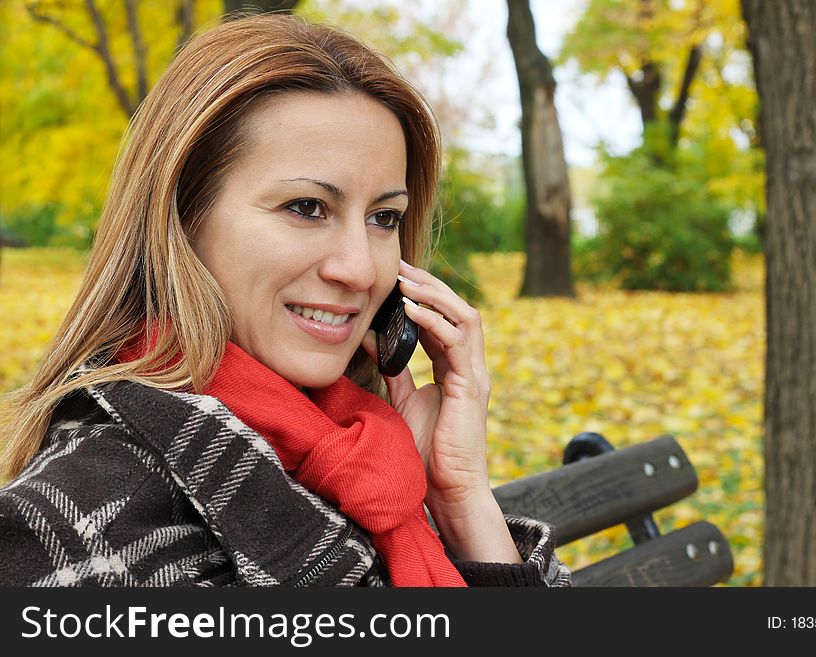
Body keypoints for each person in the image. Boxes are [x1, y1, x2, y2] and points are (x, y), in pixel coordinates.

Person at [0, 14, 569, 587]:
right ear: (180, 218)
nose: (360, 269)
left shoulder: (370, 451)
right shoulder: (85, 515)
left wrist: (461, 497)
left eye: (383, 218)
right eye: (306, 207)